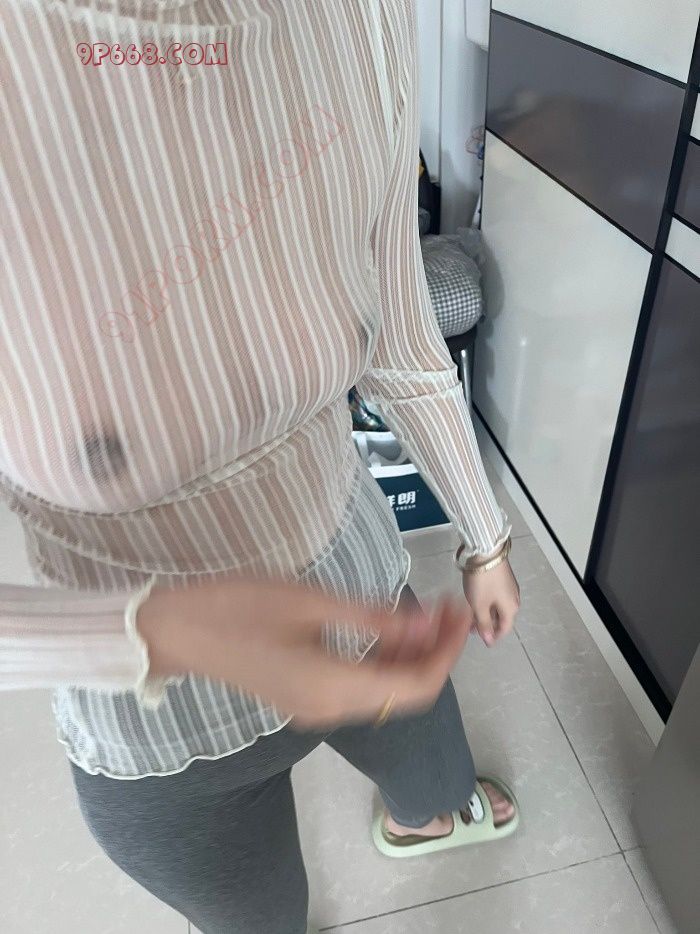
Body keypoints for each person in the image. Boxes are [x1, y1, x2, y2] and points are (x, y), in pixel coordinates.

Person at [0, 1, 521, 931]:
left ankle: (426, 819)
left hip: (361, 595)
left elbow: (399, 328)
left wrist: (485, 541)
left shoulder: (363, 16)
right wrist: (162, 631)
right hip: (158, 725)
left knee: (434, 781)